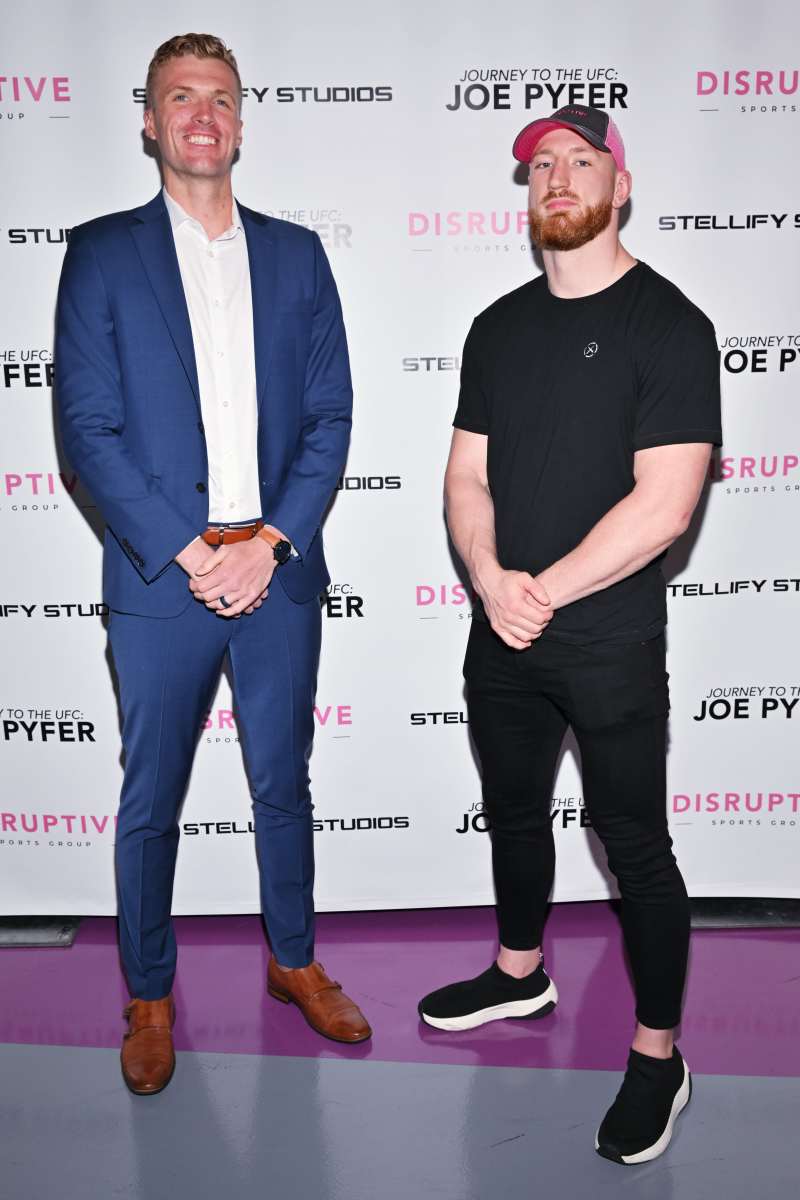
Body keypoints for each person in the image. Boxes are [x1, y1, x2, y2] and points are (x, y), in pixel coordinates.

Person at [56, 33, 371, 1096]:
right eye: (180, 97)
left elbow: (329, 416)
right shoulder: (102, 253)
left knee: (284, 779)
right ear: (149, 122)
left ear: (241, 122)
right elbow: (88, 429)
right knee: (152, 794)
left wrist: (268, 543)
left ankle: (295, 960)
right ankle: (149, 994)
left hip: (276, 568)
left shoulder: (297, 256)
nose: (202, 113)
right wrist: (197, 553)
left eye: (221, 97)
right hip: (163, 577)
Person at [418, 104, 721, 1164]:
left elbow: (664, 504)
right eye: (541, 162)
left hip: (606, 641)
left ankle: (658, 1056)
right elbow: (465, 475)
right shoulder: (497, 326)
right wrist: (489, 577)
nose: (556, 175)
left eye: (580, 161)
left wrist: (535, 591)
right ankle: (518, 973)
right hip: (501, 627)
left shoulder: (669, 324)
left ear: (618, 187)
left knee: (633, 848)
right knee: (511, 811)